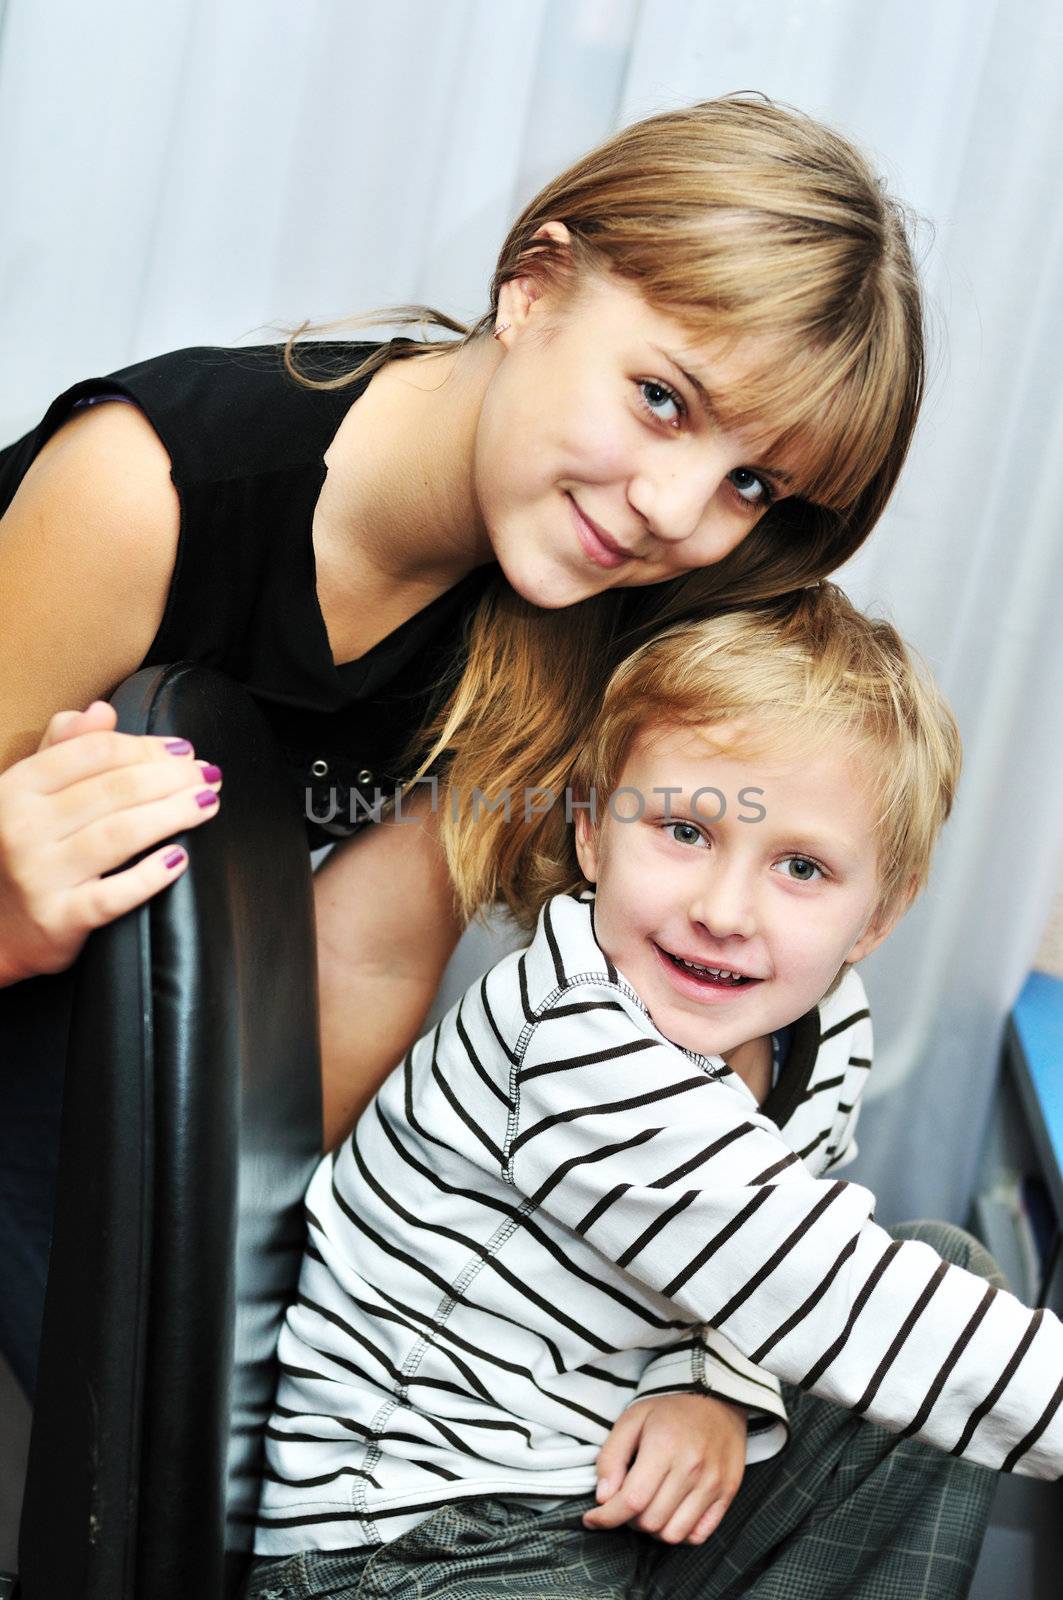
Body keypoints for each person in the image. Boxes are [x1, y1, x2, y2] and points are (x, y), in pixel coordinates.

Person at [0, 95, 924, 1400]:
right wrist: (9, 917)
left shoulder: (561, 617)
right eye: (662, 400)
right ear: (535, 285)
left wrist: (241, 1310)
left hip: (115, 1051)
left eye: (751, 485)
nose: (675, 512)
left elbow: (357, 968)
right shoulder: (145, 492)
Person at [244, 585, 1058, 1600]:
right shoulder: (576, 1040)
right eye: (683, 831)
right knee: (907, 1323)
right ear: (591, 835)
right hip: (406, 1544)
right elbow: (816, 1283)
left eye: (800, 867)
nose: (723, 910)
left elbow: (749, 1257)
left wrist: (717, 1388)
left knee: (952, 1269)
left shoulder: (823, 1027)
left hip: (587, 1487)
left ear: (874, 920)